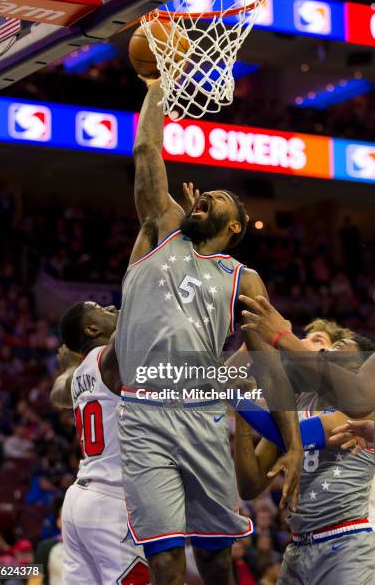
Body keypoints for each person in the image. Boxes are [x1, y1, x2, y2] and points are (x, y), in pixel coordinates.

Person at [115, 78, 302, 584]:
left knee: (217, 559)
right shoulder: (162, 228)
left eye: (216, 198)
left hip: (201, 414)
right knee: (166, 561)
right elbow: (147, 149)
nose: (204, 197)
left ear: (236, 225)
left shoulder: (242, 276)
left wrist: (293, 442)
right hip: (145, 411)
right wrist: (157, 87)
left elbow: (269, 368)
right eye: (203, 195)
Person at [234, 334, 375, 585]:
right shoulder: (299, 402)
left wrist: (237, 399)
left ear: (359, 366)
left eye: (339, 346)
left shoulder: (363, 409)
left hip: (345, 542)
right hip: (298, 544)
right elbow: (249, 487)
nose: (327, 350)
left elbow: (298, 435)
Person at [50, 302, 150, 585]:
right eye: (99, 308)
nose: (109, 306)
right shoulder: (108, 361)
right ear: (91, 329)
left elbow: (56, 393)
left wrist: (69, 366)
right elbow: (135, 303)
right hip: (113, 501)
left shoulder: (79, 374)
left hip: (79, 500)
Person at [238, 294, 375, 413]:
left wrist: (283, 336)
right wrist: (247, 348)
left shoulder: (363, 406)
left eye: (318, 341)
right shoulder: (298, 398)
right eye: (303, 338)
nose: (302, 342)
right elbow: (221, 393)